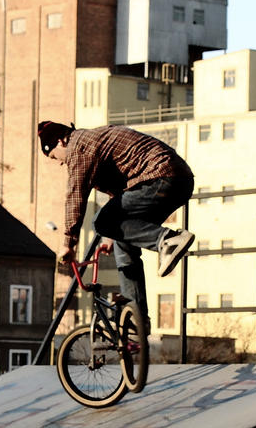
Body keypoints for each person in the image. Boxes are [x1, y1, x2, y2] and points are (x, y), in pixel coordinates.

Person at [38, 120, 195, 328]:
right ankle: (136, 317)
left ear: (60, 142)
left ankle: (167, 240)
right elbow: (120, 194)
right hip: (178, 181)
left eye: (54, 157)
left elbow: (76, 195)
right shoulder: (95, 141)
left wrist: (69, 242)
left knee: (102, 221)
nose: (59, 163)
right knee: (123, 243)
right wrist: (115, 234)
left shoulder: (79, 146)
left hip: (161, 177)